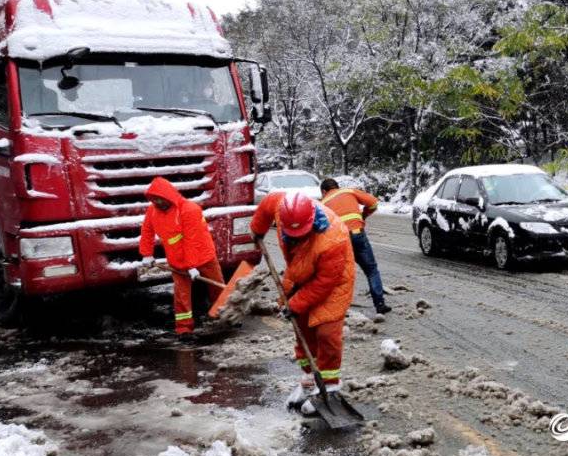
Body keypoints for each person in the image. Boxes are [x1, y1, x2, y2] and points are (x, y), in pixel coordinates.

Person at [250, 192, 355, 414]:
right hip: (301, 273)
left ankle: (329, 386)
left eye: (301, 233)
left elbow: (324, 282)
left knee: (327, 333)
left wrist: (295, 303)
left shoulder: (332, 239)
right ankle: (309, 380)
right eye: (292, 232)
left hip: (333, 282)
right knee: (303, 328)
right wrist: (257, 229)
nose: (296, 236)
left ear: (311, 222)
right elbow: (266, 206)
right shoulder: (282, 207)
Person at [139, 177, 225, 336]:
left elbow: (191, 240)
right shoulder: (152, 211)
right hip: (177, 261)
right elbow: (147, 231)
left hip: (203, 255)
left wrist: (192, 265)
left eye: (159, 199)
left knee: (217, 287)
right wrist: (147, 254)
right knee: (181, 296)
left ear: (168, 196)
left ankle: (226, 317)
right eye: (153, 200)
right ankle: (184, 328)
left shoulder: (189, 209)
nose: (157, 203)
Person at [319, 179, 391, 315]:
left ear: (324, 191)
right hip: (357, 234)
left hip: (340, 240)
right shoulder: (348, 191)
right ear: (337, 187)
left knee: (341, 274)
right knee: (371, 270)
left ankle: (338, 306)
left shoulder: (322, 204)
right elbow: (373, 203)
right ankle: (380, 304)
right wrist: (363, 215)